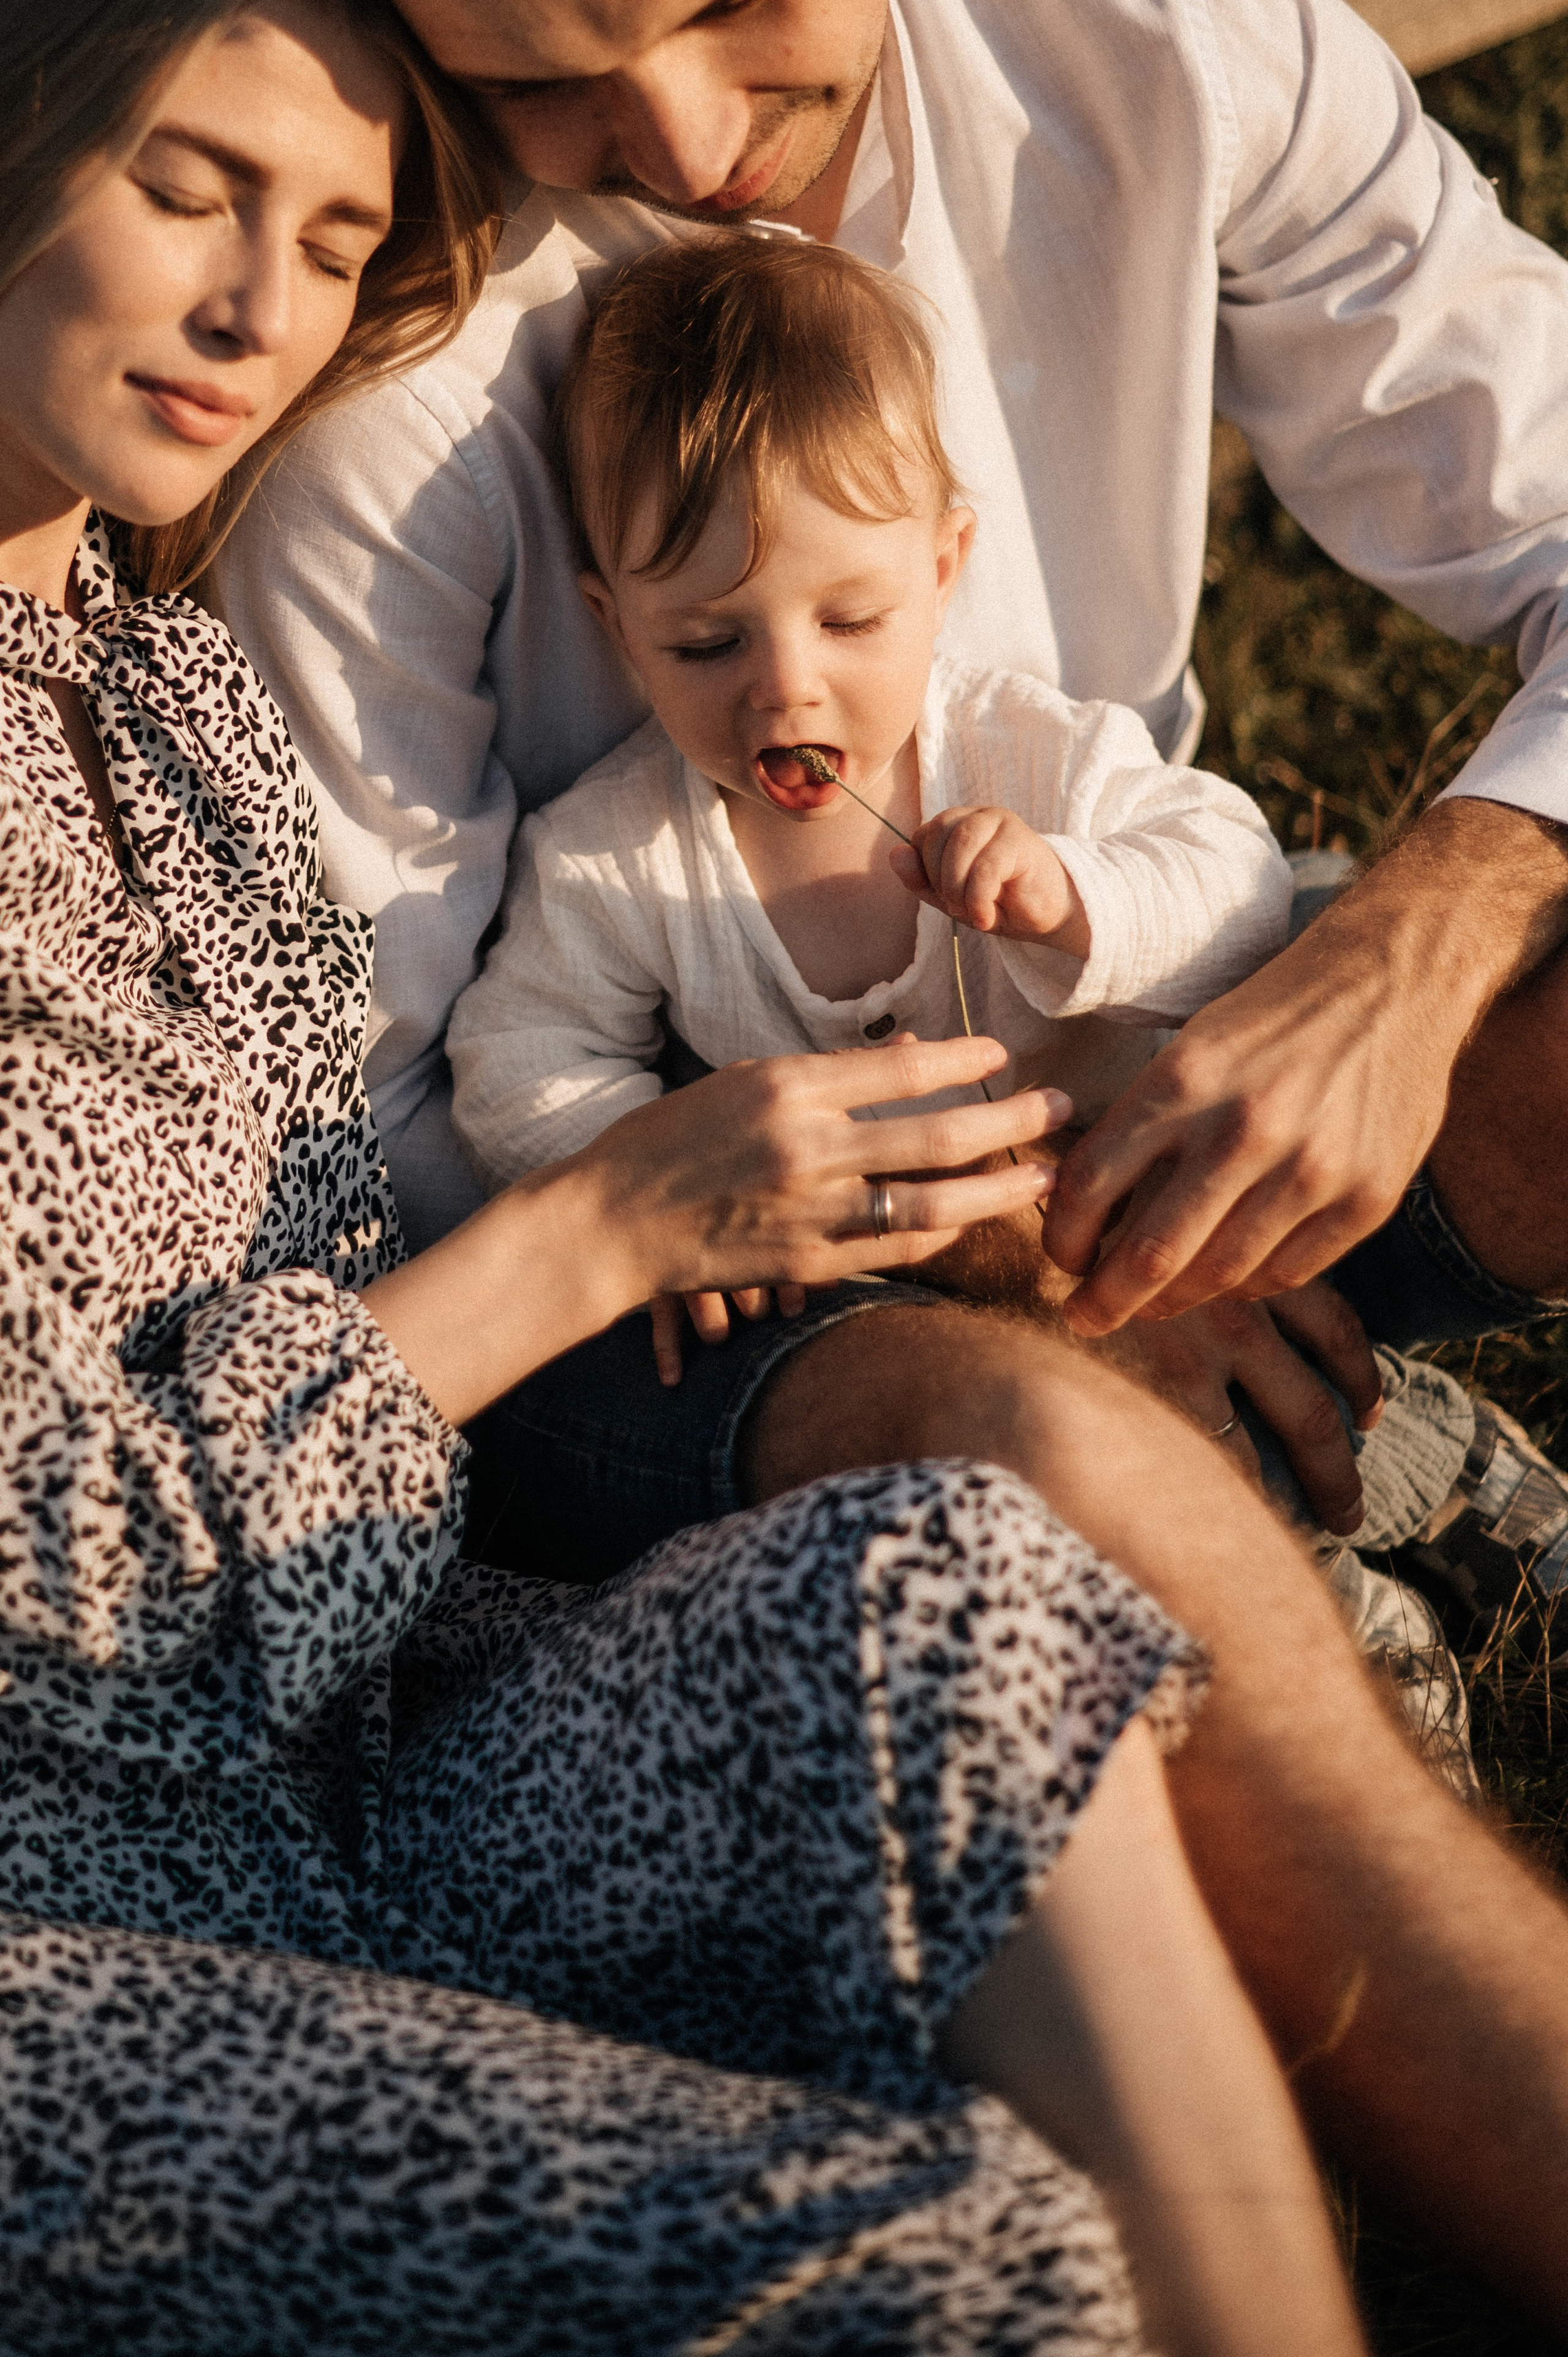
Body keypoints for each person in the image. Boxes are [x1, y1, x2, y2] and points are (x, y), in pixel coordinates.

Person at [0, 6, 1381, 2350]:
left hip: (349, 1755)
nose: (261, 307)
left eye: (335, 239)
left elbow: (341, 1306)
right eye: (186, 185)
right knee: (977, 2259)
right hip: (58, 1900)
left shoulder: (178, 700)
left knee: (950, 1579)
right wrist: (609, 1225)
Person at [447, 235, 1292, 1388]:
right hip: (890, 1302)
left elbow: (1245, 891)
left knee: (1287, 1275)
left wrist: (1072, 897)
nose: (786, 686)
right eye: (706, 642)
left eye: (849, 622)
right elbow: (513, 1059)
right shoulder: (619, 857)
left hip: (1139, 1175)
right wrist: (664, 1199)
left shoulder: (1022, 750)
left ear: (943, 572)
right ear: (619, 628)